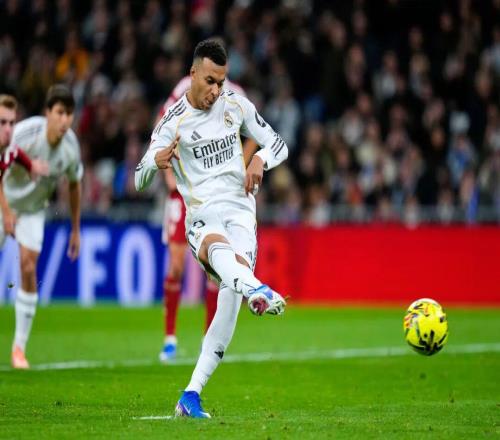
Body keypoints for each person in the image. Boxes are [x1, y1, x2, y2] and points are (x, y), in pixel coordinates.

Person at [135, 39, 288, 418]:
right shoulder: (173, 120)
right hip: (203, 217)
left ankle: (191, 394)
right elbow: (138, 177)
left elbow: (279, 144)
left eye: (221, 82)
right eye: (209, 81)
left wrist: (261, 160)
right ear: (192, 74)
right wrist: (155, 161)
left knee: (229, 301)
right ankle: (257, 288)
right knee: (222, 256)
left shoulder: (235, 105)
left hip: (241, 213)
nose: (216, 90)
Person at [156, 75, 259, 362]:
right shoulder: (184, 89)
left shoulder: (235, 93)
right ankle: (169, 339)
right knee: (176, 265)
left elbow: (255, 133)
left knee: (216, 271)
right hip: (184, 189)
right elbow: (162, 125)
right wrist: (168, 174)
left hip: (218, 193)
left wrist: (240, 165)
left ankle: (207, 341)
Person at [5, 85, 83, 369]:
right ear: (47, 113)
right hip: (3, 201)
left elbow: (74, 184)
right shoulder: (23, 133)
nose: (64, 120)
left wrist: (75, 229)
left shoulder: (71, 147)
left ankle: (19, 348)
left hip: (33, 210)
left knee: (28, 267)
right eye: (59, 112)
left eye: (69, 114)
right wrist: (5, 211)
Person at [0, 94, 49, 248]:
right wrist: (7, 213)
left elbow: (15, 152)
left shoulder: (8, 148)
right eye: (2, 123)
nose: (8, 129)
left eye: (11, 123)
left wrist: (30, 165)